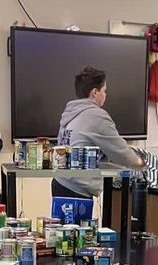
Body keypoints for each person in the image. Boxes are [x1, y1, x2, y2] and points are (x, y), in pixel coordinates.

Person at [53, 66, 144, 199]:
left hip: (60, 182)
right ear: (95, 92)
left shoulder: (70, 112)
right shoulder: (96, 115)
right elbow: (119, 151)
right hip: (77, 188)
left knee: (61, 221)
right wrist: (139, 162)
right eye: (104, 91)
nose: (105, 95)